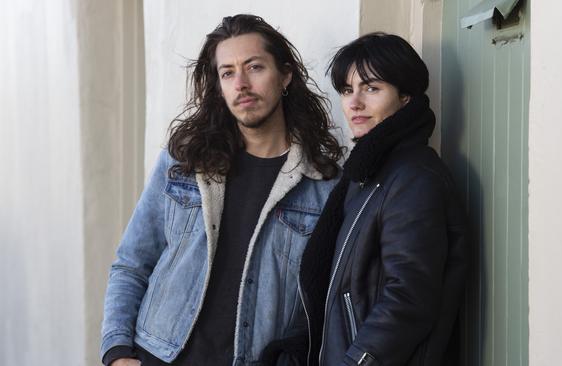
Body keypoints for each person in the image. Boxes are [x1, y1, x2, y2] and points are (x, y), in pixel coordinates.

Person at [100, 14, 343, 366]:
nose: (241, 83)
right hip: (157, 354)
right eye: (227, 72)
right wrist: (117, 352)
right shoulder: (185, 159)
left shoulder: (323, 185)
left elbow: (320, 304)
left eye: (255, 67)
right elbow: (132, 262)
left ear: (285, 75)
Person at [298, 33, 468, 365]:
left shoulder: (414, 177)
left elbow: (409, 299)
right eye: (347, 90)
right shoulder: (367, 174)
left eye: (371, 88)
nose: (354, 103)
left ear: (405, 97)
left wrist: (356, 361)